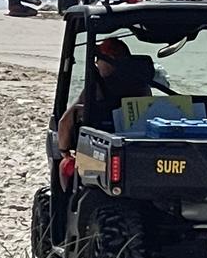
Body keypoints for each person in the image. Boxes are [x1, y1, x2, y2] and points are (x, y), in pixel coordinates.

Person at [57, 39, 151, 182]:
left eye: (98, 59)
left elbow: (64, 122)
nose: (96, 63)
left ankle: (64, 203)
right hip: (138, 150)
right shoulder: (142, 87)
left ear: (111, 60)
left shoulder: (96, 89)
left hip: (101, 152)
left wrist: (64, 151)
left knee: (66, 165)